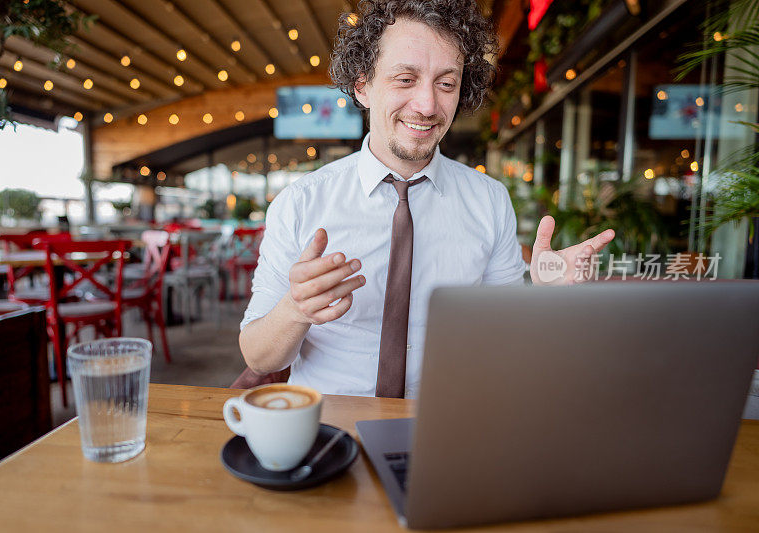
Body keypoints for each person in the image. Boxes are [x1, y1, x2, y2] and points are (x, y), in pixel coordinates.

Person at [238, 0, 614, 398]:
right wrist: (295, 309)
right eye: (405, 79)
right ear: (363, 85)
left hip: (447, 425)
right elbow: (260, 359)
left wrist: (544, 294)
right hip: (329, 428)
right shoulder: (300, 203)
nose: (428, 105)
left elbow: (504, 339)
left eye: (446, 83)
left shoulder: (489, 201)